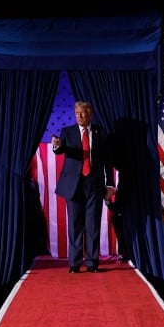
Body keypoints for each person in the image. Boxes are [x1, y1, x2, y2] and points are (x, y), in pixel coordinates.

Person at [50, 100, 115, 273]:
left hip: (94, 184)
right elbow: (60, 150)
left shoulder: (100, 132)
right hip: (74, 185)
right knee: (75, 225)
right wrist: (57, 145)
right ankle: (75, 264)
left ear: (90, 114)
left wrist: (110, 184)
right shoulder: (67, 132)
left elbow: (108, 161)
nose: (79, 116)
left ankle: (93, 263)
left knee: (93, 225)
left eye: (83, 113)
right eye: (77, 112)